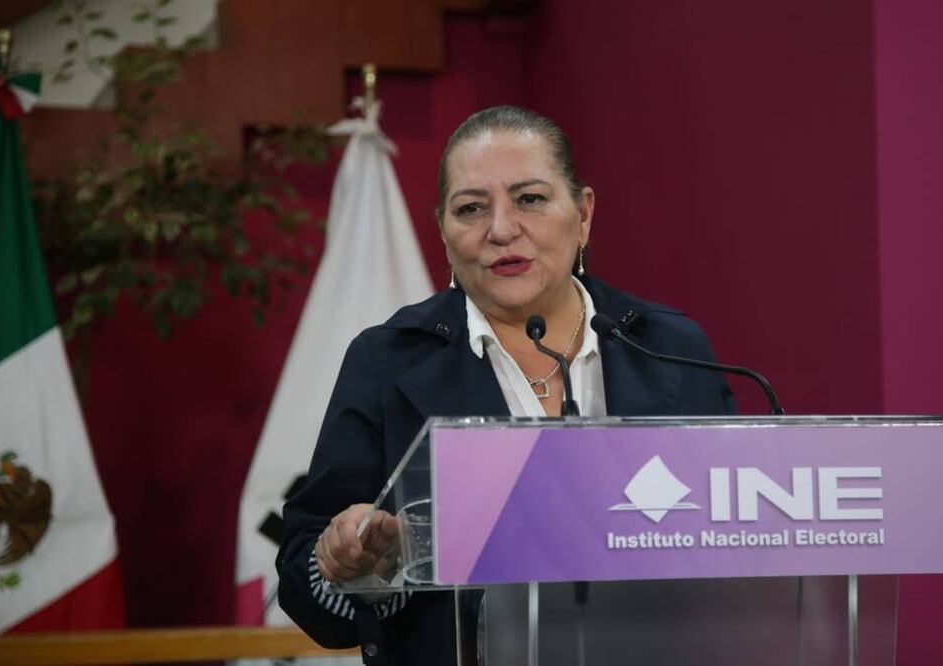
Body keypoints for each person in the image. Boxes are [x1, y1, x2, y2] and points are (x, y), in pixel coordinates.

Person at [276, 105, 736, 666]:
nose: (500, 229)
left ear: (583, 213)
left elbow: (736, 532)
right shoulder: (387, 361)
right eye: (471, 208)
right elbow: (306, 580)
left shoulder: (672, 348)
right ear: (443, 231)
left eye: (530, 199)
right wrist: (363, 566)